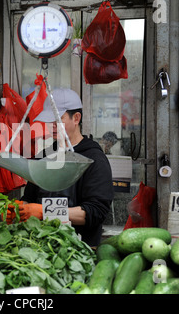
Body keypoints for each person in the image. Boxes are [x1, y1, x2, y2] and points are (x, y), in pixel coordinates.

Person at [8, 89, 114, 247]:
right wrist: (20, 210)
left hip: (78, 250)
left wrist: (44, 212)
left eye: (58, 119)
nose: (52, 126)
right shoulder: (44, 155)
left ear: (76, 118)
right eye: (49, 121)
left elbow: (96, 212)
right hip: (40, 248)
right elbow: (29, 199)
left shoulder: (94, 159)